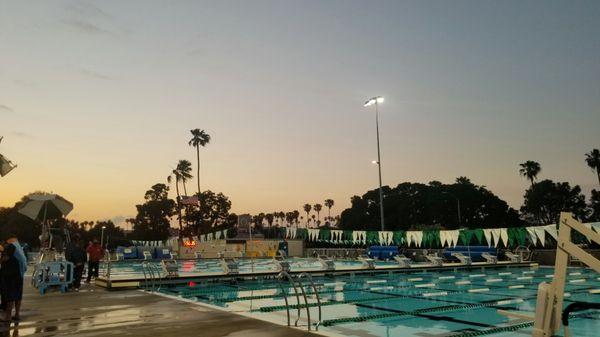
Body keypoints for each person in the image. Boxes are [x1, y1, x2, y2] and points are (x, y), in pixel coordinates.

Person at [0, 244, 23, 322]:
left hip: (11, 282)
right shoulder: (15, 259)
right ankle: (17, 315)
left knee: (10, 299)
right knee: (17, 298)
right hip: (18, 281)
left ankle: (8, 317)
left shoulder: (9, 260)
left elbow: (6, 273)